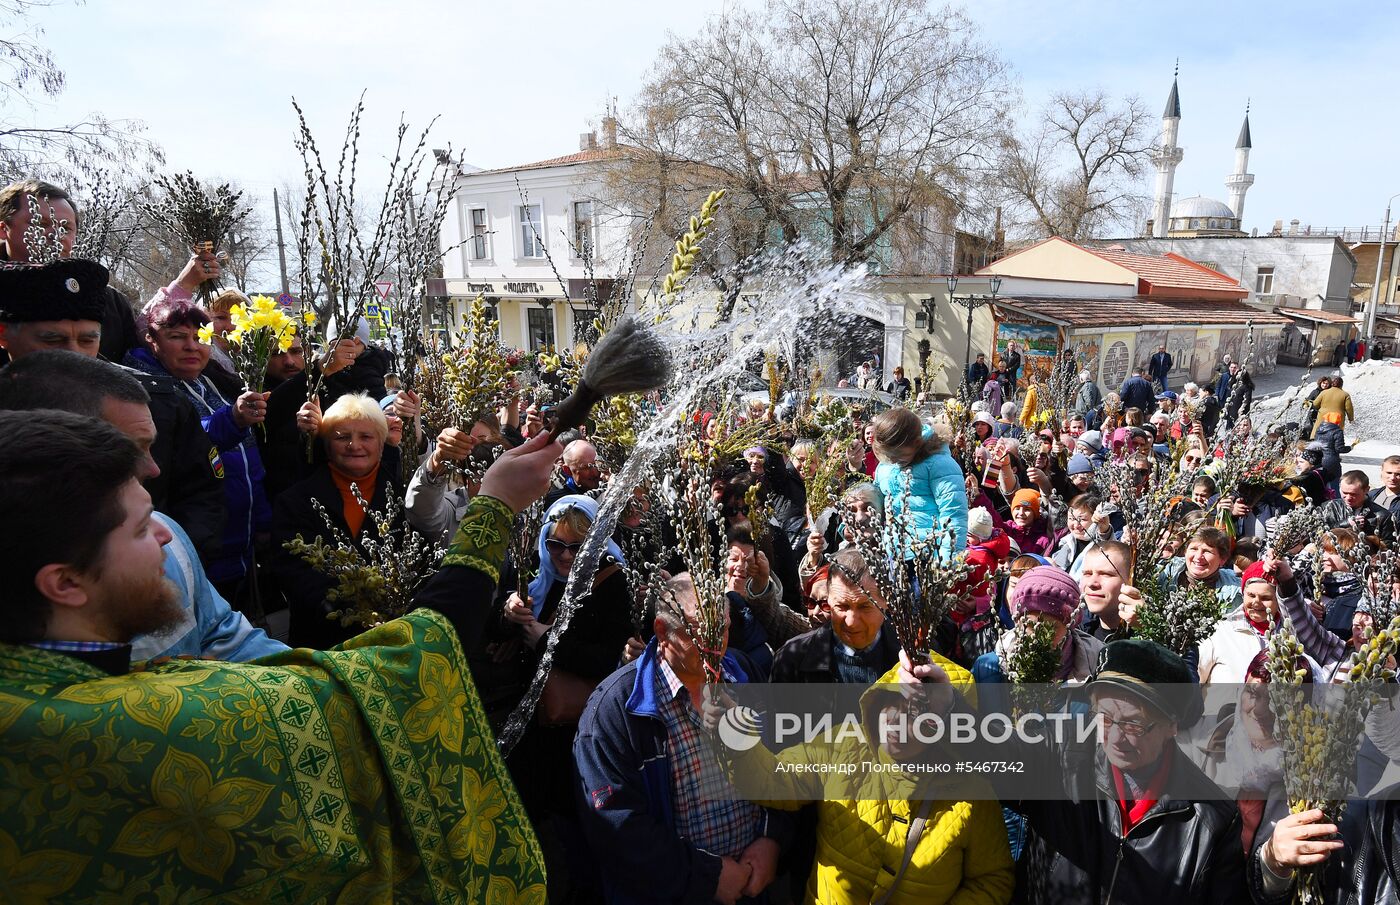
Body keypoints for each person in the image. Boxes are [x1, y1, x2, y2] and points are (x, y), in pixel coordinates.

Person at [0, 409, 561, 900]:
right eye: (144, 527)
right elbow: (404, 671)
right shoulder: (143, 726)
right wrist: (495, 507)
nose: (168, 538)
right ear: (66, 582)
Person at [903, 637, 1246, 904]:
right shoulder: (1061, 754)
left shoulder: (1211, 817)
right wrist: (948, 709)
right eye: (1105, 717)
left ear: (1173, 726)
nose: (1115, 737)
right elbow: (998, 753)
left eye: (1134, 724)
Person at [0, 351, 285, 662]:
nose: (153, 468)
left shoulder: (166, 533)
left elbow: (222, 633)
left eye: (151, 445)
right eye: (127, 451)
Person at [573, 572, 794, 905]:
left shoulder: (745, 676)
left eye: (722, 629)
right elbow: (616, 827)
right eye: (698, 634)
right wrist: (707, 877)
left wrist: (773, 840)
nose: (715, 646)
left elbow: (788, 766)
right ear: (663, 632)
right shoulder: (616, 711)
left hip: (754, 889)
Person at [0, 259, 227, 558]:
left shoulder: (157, 401)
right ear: (4, 336)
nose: (74, 354)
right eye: (52, 339)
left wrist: (170, 558)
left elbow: (202, 495)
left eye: (87, 340)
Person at [126, 295, 271, 610]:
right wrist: (232, 419)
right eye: (177, 337)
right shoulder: (149, 392)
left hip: (239, 545)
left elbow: (248, 464)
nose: (192, 346)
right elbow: (194, 441)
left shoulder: (210, 382)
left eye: (199, 337)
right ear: (152, 341)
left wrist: (262, 522)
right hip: (198, 550)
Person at [270, 392, 403, 649]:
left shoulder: (401, 496)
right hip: (323, 643)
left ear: (381, 441)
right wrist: (354, 613)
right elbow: (294, 572)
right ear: (327, 444)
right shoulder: (296, 501)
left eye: (366, 436)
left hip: (394, 638)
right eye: (342, 437)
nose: (354, 445)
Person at [771, 548, 901, 684]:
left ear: (887, 602)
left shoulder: (913, 658)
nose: (851, 622)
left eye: (864, 607)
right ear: (829, 600)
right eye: (842, 607)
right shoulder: (792, 659)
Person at [870, 408, 969, 557]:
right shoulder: (887, 467)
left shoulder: (939, 464)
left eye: (899, 455)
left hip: (929, 555)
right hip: (894, 553)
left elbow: (954, 514)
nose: (893, 461)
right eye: (887, 456)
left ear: (917, 443)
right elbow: (876, 505)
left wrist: (948, 561)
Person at [1197, 561, 1281, 685]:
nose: (1256, 603)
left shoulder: (1291, 634)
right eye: (1251, 595)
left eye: (1265, 598)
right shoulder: (1219, 632)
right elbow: (1192, 680)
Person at [1321, 470, 1394, 546]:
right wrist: (1344, 524)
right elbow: (1318, 534)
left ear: (1366, 490)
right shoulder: (1328, 507)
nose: (1348, 498)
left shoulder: (1382, 516)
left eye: (1353, 494)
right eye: (1344, 493)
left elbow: (1388, 545)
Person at [545, 438, 604, 505]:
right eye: (585, 467)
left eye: (596, 464)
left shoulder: (610, 487)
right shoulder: (557, 502)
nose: (595, 473)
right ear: (568, 470)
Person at [1308, 374, 1354, 439]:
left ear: (1332, 384)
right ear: (1341, 385)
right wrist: (1351, 419)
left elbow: (1315, 404)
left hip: (1323, 416)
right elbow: (1349, 408)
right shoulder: (1345, 395)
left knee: (1319, 433)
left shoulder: (1324, 392)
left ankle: (1316, 441)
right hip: (1337, 418)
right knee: (1335, 436)